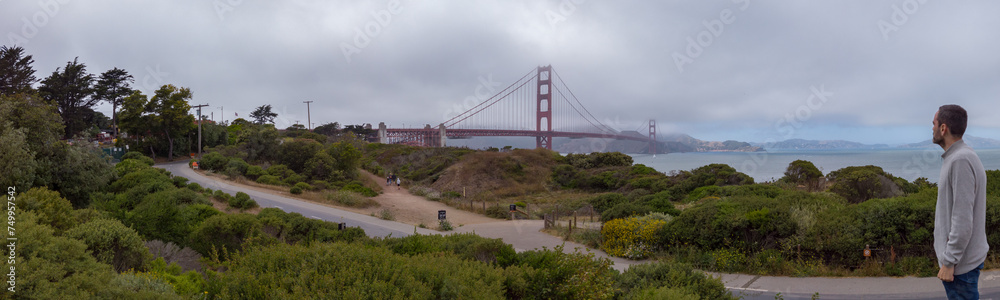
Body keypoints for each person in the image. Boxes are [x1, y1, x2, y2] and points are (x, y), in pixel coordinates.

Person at [932, 104, 988, 300]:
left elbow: (963, 218)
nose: (931, 128)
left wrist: (949, 262)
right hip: (961, 264)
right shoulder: (959, 157)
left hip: (959, 267)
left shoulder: (960, 160)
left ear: (943, 128)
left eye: (934, 123)